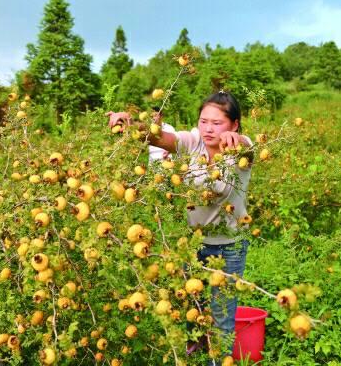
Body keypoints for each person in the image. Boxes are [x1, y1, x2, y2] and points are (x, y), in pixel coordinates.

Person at [107, 91, 252, 361]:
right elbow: (159, 137)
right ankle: (193, 354)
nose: (208, 129)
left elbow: (247, 147)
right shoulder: (193, 141)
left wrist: (238, 140)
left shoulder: (241, 150)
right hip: (193, 244)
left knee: (221, 319)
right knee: (190, 309)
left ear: (234, 124)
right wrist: (129, 124)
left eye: (217, 123)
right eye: (203, 121)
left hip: (230, 248)